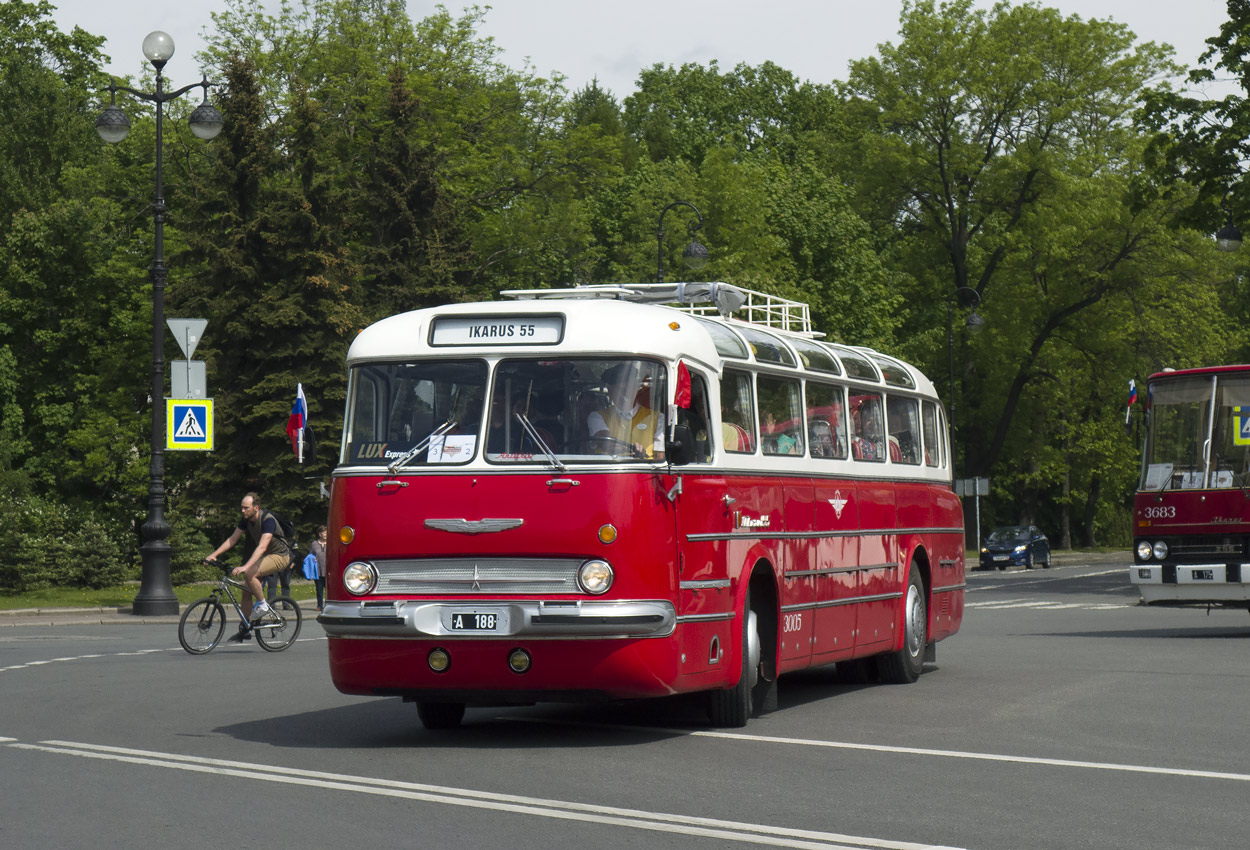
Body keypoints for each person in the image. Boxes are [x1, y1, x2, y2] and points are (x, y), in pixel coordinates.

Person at [205, 492, 292, 643]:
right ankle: (246, 628)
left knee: (249, 573)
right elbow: (232, 539)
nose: (242, 511)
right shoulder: (245, 520)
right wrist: (214, 555)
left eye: (246, 508)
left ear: (256, 508)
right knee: (246, 593)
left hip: (280, 556)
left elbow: (262, 546)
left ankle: (263, 605)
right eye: (242, 508)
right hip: (267, 556)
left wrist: (246, 566)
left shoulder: (267, 520)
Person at [586, 364, 665, 459]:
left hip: (644, 471)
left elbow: (659, 456)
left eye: (629, 388)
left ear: (636, 389)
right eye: (621, 389)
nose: (626, 394)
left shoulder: (657, 418)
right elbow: (606, 443)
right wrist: (631, 449)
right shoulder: (597, 417)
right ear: (610, 390)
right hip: (608, 471)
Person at [308, 525, 328, 611]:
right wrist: (313, 558)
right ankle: (319, 605)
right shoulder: (314, 544)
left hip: (328, 570)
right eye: (324, 533)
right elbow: (310, 555)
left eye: (327, 532)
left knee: (328, 590)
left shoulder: (331, 543)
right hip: (318, 570)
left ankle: (328, 605)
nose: (326, 534)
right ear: (320, 534)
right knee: (319, 589)